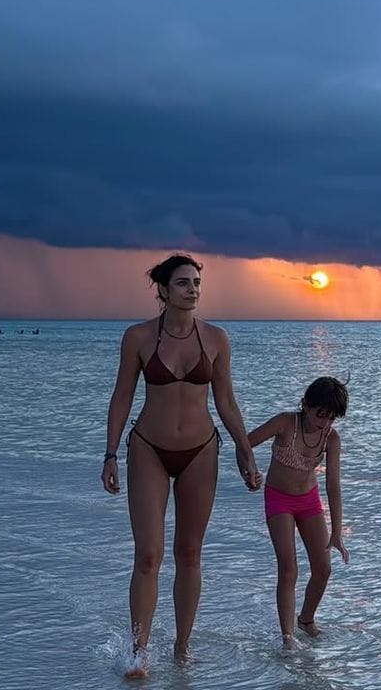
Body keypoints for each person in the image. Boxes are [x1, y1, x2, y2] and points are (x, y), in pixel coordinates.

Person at [100, 254, 262, 677]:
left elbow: (226, 401)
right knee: (149, 555)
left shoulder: (216, 338)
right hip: (148, 448)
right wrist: (110, 452)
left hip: (201, 451)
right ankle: (138, 651)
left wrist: (246, 453)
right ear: (163, 290)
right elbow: (121, 396)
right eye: (184, 283)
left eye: (196, 283)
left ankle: (182, 647)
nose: (193, 290)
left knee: (190, 553)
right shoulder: (137, 337)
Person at [248, 376, 349, 646]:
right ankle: (287, 636)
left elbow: (333, 485)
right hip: (278, 499)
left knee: (324, 568)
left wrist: (337, 530)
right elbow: (246, 443)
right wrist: (251, 472)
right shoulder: (285, 423)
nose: (325, 423)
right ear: (305, 404)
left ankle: (305, 620)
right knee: (289, 568)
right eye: (321, 415)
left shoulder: (331, 438)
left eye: (332, 418)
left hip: (309, 500)